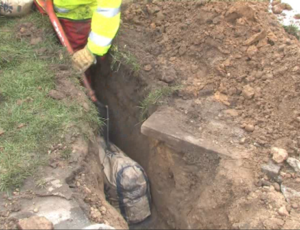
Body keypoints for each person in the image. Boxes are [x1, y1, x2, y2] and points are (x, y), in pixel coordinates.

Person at [34, 0, 121, 74]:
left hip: (77, 17)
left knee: (77, 62)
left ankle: (78, 87)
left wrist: (91, 50)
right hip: (46, 5)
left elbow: (109, 11)